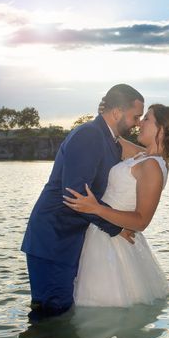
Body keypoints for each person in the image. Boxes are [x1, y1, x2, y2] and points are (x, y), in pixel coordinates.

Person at [22, 84, 144, 319]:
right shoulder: (89, 135)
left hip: (71, 237)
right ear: (117, 112)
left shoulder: (110, 139)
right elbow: (75, 194)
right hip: (54, 238)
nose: (137, 122)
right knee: (53, 312)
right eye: (135, 116)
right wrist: (116, 226)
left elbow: (145, 155)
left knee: (61, 308)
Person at [63, 104, 169, 307]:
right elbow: (112, 136)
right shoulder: (143, 156)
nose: (139, 123)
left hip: (111, 243)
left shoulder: (153, 167)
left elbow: (141, 221)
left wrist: (96, 208)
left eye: (146, 119)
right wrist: (109, 111)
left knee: (100, 307)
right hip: (101, 232)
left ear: (161, 129)